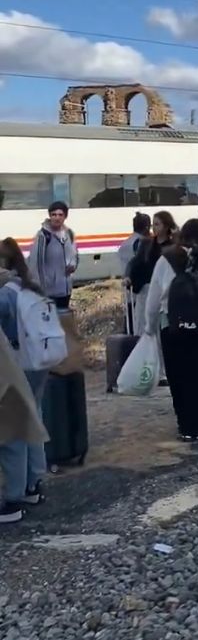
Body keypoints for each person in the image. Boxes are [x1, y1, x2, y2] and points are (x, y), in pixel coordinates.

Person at [145, 219, 198, 441]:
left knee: (177, 374)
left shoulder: (166, 258)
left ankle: (184, 424)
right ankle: (196, 425)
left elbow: (154, 297)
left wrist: (148, 326)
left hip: (171, 325)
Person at [0, 239, 50, 523]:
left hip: (17, 364)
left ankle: (14, 498)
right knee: (33, 417)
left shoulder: (5, 294)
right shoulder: (30, 286)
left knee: (14, 429)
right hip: (40, 360)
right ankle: (33, 484)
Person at [127, 211, 177, 338]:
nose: (154, 228)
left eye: (157, 224)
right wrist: (128, 276)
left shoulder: (174, 246)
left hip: (166, 291)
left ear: (166, 226)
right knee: (143, 325)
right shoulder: (146, 243)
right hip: (146, 289)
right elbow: (135, 263)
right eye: (153, 225)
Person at [28, 201, 78, 309]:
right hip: (49, 292)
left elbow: (75, 254)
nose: (57, 218)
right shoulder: (43, 235)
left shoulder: (69, 233)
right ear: (49, 216)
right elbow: (36, 263)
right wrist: (41, 289)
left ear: (65, 216)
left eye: (60, 215)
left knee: (63, 320)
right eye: (54, 215)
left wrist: (73, 266)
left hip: (65, 289)